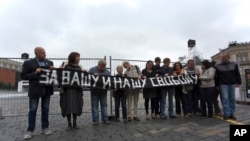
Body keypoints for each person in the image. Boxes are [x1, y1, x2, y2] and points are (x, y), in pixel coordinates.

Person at [21, 47, 54, 139]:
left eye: (45, 52)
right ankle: (30, 130)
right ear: (36, 53)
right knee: (32, 110)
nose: (45, 54)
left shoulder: (50, 63)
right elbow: (23, 76)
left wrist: (55, 71)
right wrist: (35, 73)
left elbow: (53, 76)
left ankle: (45, 127)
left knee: (46, 109)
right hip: (35, 90)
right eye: (42, 53)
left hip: (47, 90)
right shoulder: (28, 63)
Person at [59, 52, 84, 130]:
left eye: (79, 57)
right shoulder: (65, 65)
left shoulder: (80, 67)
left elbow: (84, 77)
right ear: (73, 57)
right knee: (68, 106)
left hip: (77, 90)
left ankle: (75, 123)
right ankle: (69, 124)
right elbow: (58, 75)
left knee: (76, 106)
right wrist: (61, 70)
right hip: (67, 90)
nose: (79, 58)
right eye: (77, 57)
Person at [215, 52, 241, 120]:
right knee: (225, 99)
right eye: (222, 57)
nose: (223, 58)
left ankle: (232, 113)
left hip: (232, 83)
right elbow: (216, 77)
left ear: (228, 57)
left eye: (224, 57)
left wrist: (239, 82)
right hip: (223, 84)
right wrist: (217, 85)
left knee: (232, 99)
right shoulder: (217, 66)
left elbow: (237, 74)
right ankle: (226, 113)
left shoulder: (234, 64)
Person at [89, 59, 111, 125]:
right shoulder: (92, 70)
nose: (103, 68)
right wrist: (92, 76)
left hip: (103, 92)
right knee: (95, 106)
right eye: (101, 66)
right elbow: (87, 78)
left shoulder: (107, 72)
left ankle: (105, 119)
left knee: (104, 106)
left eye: (104, 66)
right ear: (98, 65)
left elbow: (110, 81)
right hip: (94, 92)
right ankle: (95, 120)